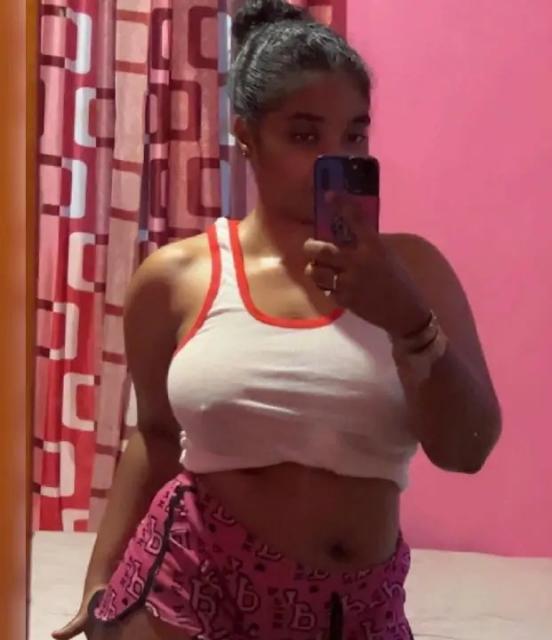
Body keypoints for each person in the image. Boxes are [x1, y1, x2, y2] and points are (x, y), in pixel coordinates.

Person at [52, 1, 501, 638]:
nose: (333, 158)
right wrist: (98, 579)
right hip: (191, 586)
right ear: (247, 135)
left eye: (354, 135)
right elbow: (154, 434)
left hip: (356, 606)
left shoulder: (415, 273)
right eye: (304, 136)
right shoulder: (177, 278)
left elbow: (467, 451)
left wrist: (409, 323)